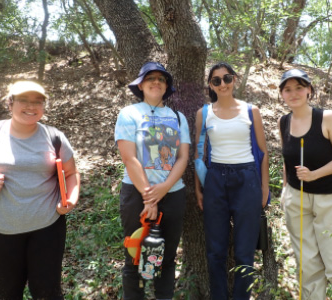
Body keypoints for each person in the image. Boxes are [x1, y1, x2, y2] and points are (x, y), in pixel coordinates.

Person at [0, 80, 80, 299]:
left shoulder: (54, 137)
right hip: (1, 231)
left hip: (48, 229)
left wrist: (71, 200)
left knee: (48, 292)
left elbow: (72, 174)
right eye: (23, 101)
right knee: (8, 292)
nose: (31, 106)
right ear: (10, 103)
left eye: (38, 101)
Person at [278, 69, 332, 299]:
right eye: (287, 89)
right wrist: (285, 189)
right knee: (308, 267)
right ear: (282, 94)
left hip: (330, 199)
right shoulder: (284, 121)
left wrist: (315, 174)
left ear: (309, 90)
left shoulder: (327, 118)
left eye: (299, 87)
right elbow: (287, 160)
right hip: (296, 200)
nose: (293, 93)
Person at [115, 61, 190, 300]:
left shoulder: (178, 118)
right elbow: (129, 158)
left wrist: (164, 189)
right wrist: (149, 196)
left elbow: (183, 157)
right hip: (136, 195)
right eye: (150, 78)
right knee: (135, 255)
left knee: (166, 258)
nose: (156, 82)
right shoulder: (129, 114)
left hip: (173, 194)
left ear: (166, 86)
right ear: (141, 84)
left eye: (161, 79)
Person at [194, 62, 269, 300]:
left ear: (234, 79)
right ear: (211, 85)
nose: (223, 84)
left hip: (247, 181)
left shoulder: (251, 111)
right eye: (216, 80)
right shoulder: (203, 113)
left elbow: (263, 152)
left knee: (245, 252)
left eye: (227, 78)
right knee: (215, 251)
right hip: (215, 181)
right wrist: (198, 189)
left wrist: (264, 189)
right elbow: (198, 154)